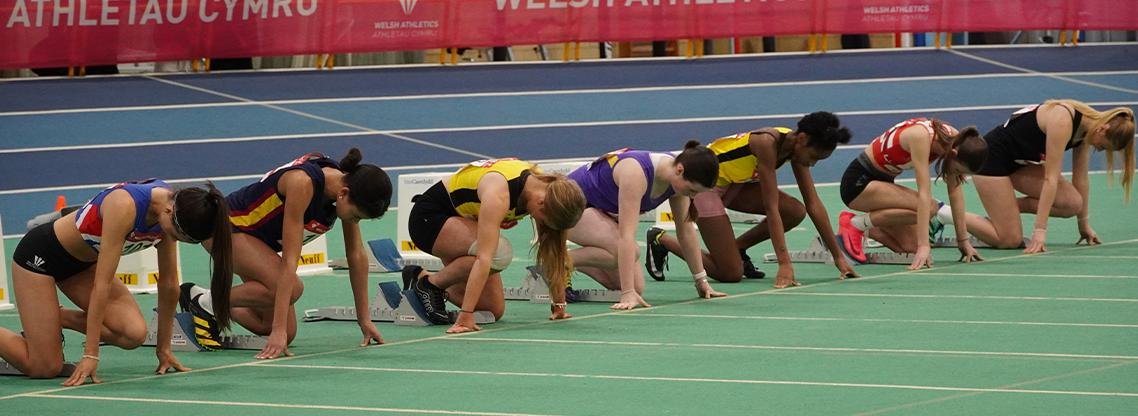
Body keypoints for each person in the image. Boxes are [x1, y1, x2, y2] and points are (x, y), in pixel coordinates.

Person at [1, 180, 231, 385]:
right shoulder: (124, 205)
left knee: (133, 334)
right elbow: (101, 285)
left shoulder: (173, 211)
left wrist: (164, 349)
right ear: (170, 211)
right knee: (45, 368)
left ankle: (53, 319)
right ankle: (44, 325)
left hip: (81, 267)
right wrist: (90, 355)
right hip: (40, 259)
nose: (170, 239)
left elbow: (169, 284)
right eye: (174, 235)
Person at [180, 149, 392, 359]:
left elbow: (356, 255)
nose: (354, 221)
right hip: (225, 230)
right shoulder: (302, 183)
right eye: (356, 216)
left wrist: (364, 319)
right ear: (343, 193)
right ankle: (205, 304)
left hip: (256, 243)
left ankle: (196, 295)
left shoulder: (344, 188)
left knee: (281, 331)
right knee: (293, 290)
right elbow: (290, 260)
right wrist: (278, 329)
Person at [646, 112, 858, 288]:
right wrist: (784, 264)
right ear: (802, 139)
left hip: (735, 183)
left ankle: (737, 249)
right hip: (705, 186)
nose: (812, 164)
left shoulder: (796, 148)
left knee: (794, 211)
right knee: (730, 273)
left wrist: (838, 256)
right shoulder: (766, 142)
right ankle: (661, 239)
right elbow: (771, 207)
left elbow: (813, 204)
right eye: (813, 157)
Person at [405, 158, 585, 334]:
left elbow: (553, 245)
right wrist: (465, 315)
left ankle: (418, 277)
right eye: (544, 221)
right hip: (429, 220)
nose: (543, 226)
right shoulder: (499, 194)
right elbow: (484, 258)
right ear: (541, 203)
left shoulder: (547, 190)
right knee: (499, 253)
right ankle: (430, 285)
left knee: (491, 310)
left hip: (462, 221)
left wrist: (559, 304)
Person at [566, 143, 727, 310]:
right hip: (565, 210)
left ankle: (567, 263)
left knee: (636, 288)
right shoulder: (635, 173)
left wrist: (701, 280)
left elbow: (685, 231)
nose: (693, 196)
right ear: (680, 170)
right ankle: (555, 261)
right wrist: (627, 293)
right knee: (623, 255)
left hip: (596, 212)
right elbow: (626, 236)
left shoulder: (678, 180)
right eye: (693, 190)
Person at [969, 100, 1134, 252]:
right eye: (1103, 147)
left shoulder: (1087, 129)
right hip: (990, 159)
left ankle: (1004, 213)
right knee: (1010, 241)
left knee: (1072, 203)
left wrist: (1083, 225)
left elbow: (1081, 179)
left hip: (1018, 164)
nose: (1099, 149)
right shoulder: (1063, 120)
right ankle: (953, 216)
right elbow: (1050, 178)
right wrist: (1040, 231)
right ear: (1103, 129)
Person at [836, 118, 989, 270]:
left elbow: (954, 190)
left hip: (883, 183)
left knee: (910, 248)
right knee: (931, 207)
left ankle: (868, 229)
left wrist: (963, 241)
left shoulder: (956, 141)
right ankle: (855, 224)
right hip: (859, 184)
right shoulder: (920, 138)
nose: (955, 174)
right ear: (954, 153)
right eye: (957, 170)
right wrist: (924, 245)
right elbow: (924, 194)